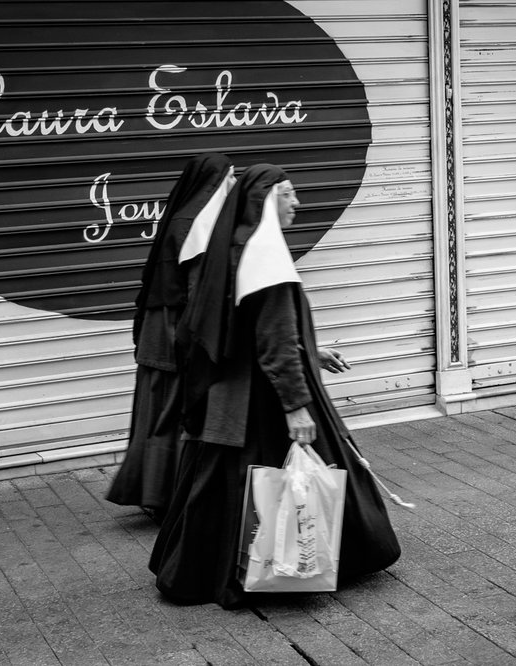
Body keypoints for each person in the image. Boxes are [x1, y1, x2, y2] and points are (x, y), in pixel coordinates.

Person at [148, 164, 401, 608]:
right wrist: (296, 406)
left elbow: (236, 329)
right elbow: (275, 340)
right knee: (298, 475)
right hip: (268, 399)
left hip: (228, 401)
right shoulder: (266, 254)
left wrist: (309, 350)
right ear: (266, 200)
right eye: (288, 193)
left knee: (223, 485)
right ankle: (307, 561)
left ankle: (200, 571)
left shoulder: (228, 251)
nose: (297, 202)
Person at [106, 153, 235, 521]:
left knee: (157, 412)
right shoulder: (196, 222)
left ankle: (154, 493)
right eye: (229, 177)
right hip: (172, 334)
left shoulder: (184, 216)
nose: (233, 185)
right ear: (214, 182)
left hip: (158, 331)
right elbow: (197, 289)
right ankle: (163, 496)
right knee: (171, 411)